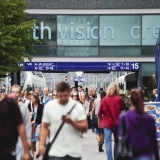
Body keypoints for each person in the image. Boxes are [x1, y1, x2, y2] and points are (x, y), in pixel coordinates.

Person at [39, 81, 88, 160]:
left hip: (73, 152)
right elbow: (44, 127)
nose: (63, 98)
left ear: (69, 93)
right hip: (55, 152)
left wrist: (71, 122)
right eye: (60, 95)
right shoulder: (49, 106)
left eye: (65, 95)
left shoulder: (77, 107)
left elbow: (85, 128)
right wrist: (41, 145)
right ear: (56, 93)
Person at [118, 89, 159, 160]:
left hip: (129, 154)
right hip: (146, 155)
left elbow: (119, 136)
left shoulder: (124, 117)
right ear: (143, 100)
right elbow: (153, 141)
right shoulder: (149, 119)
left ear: (130, 101)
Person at [98, 83, 126, 160]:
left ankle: (110, 159)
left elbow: (100, 113)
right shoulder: (119, 99)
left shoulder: (104, 100)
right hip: (117, 124)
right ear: (117, 89)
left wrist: (99, 122)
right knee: (117, 142)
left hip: (106, 124)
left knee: (108, 143)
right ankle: (116, 157)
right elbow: (124, 108)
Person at [0, 89, 30, 160]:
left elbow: (21, 126)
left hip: (8, 150)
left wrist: (26, 150)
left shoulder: (10, 104)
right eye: (13, 92)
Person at [11, 85, 32, 160]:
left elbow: (27, 123)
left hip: (20, 138)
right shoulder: (5, 106)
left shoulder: (23, 107)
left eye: (17, 92)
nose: (15, 94)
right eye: (13, 92)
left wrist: (28, 139)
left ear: (20, 94)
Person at [28, 93, 44, 158]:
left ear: (36, 99)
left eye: (33, 98)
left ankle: (37, 153)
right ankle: (32, 153)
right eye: (31, 99)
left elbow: (43, 115)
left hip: (38, 124)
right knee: (32, 140)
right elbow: (27, 113)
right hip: (31, 124)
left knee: (37, 139)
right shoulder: (30, 105)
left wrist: (40, 122)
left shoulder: (41, 106)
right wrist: (30, 114)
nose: (31, 100)